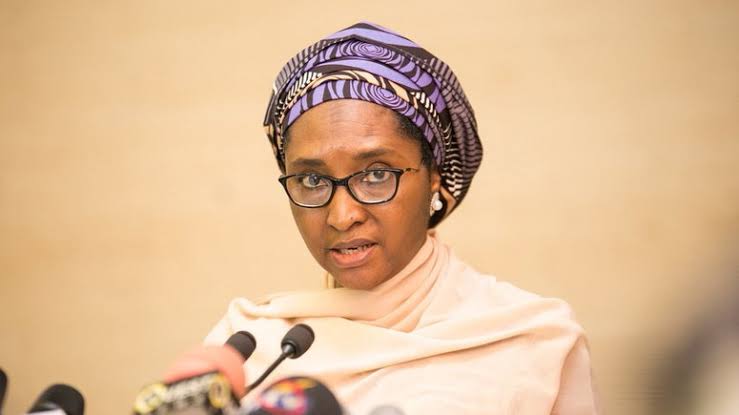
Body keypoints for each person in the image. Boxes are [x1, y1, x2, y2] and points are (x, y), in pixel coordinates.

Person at [206, 22, 600, 414]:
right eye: (312, 180)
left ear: (433, 177)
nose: (342, 216)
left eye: (377, 174)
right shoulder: (246, 349)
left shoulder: (532, 344)